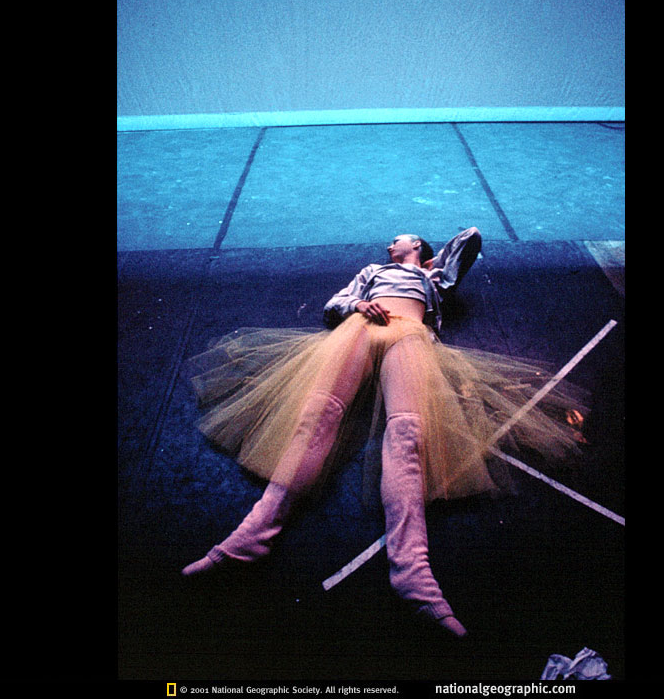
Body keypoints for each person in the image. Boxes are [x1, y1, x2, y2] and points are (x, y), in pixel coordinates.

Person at [181, 228, 588, 639]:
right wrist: (359, 303)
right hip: (358, 331)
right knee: (316, 418)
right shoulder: (373, 270)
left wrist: (428, 264)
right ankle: (249, 539)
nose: (391, 244)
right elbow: (335, 303)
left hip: (409, 337)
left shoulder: (434, 277)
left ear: (418, 247)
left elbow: (471, 238)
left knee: (407, 435)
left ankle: (413, 573)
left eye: (400, 239)